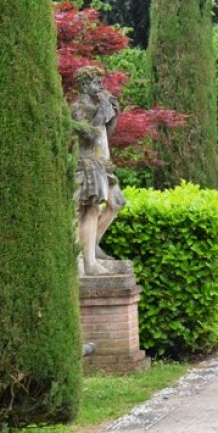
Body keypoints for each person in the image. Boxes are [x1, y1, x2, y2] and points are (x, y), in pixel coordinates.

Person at [72, 66, 127, 276]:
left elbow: (104, 133)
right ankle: (86, 256)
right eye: (97, 82)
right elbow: (88, 136)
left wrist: (112, 116)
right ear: (84, 85)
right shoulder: (78, 107)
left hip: (103, 163)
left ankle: (91, 245)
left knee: (117, 203)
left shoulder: (95, 106)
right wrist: (102, 113)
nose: (101, 87)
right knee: (87, 209)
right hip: (88, 163)